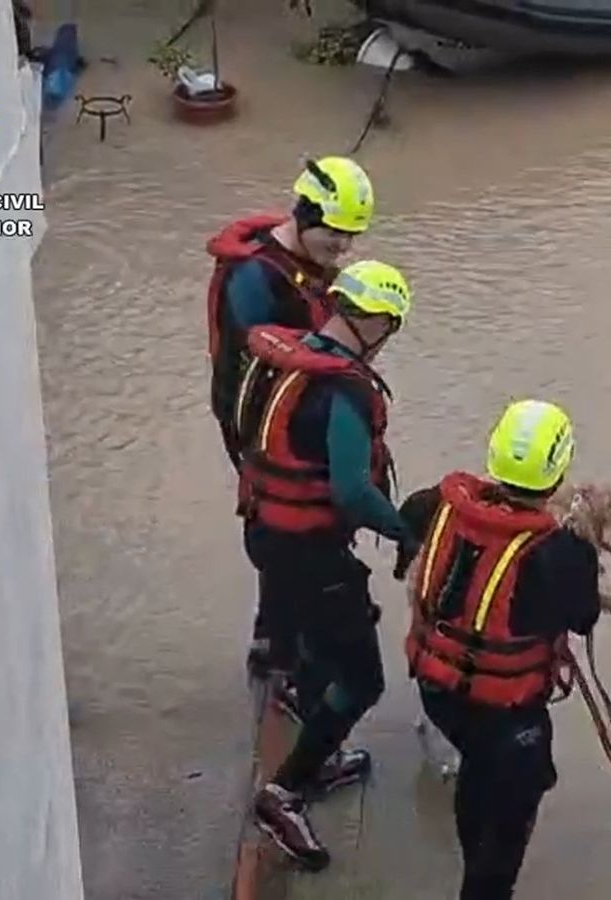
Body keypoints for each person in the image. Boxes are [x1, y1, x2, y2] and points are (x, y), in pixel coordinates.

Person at [234, 260, 417, 871]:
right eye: (388, 326)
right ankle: (284, 792)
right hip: (309, 551)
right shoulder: (342, 391)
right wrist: (405, 530)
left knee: (316, 648)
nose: (388, 338)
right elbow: (351, 492)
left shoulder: (284, 360)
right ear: (369, 320)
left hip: (265, 532)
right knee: (364, 680)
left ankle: (323, 752)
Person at [398, 400, 603, 900]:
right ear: (559, 472)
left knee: (477, 773)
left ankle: (475, 868)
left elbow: (406, 533)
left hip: (438, 690)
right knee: (509, 823)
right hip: (506, 715)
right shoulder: (561, 551)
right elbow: (583, 617)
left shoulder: (437, 505)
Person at [205, 156, 375, 678]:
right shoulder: (255, 280)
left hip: (290, 417)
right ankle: (288, 654)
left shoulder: (300, 268)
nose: (343, 249)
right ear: (304, 214)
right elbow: (261, 366)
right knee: (290, 523)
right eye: (335, 234)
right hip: (263, 425)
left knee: (285, 531)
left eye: (351, 238)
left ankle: (273, 634)